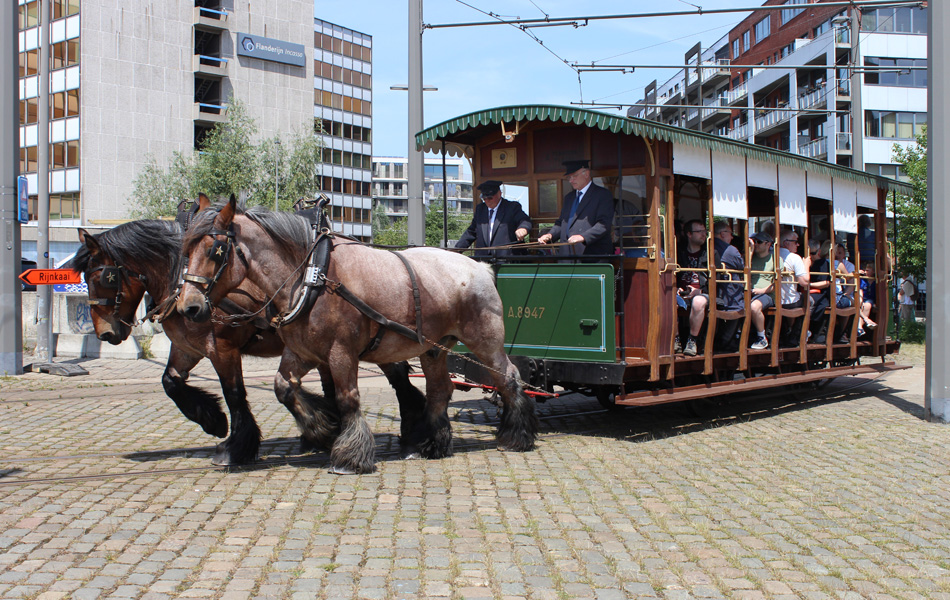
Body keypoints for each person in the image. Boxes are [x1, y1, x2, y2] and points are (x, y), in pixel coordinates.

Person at [538, 159, 614, 257]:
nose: (571, 180)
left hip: (590, 256)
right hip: (566, 257)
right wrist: (550, 235)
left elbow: (603, 224)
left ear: (586, 174)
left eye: (574, 176)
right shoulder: (569, 198)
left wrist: (583, 237)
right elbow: (562, 223)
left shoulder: (602, 195)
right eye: (569, 177)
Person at [455, 180, 531, 258]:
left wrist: (523, 228)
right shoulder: (480, 209)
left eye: (490, 198)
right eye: (484, 198)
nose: (487, 201)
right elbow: (471, 232)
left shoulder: (512, 207)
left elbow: (524, 220)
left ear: (499, 194)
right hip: (483, 261)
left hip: (506, 260)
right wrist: (456, 251)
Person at [674, 219, 709, 357]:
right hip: (682, 294)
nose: (703, 235)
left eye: (704, 231)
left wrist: (699, 291)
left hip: (703, 293)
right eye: (699, 232)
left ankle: (692, 341)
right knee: (669, 300)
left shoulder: (710, 253)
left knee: (698, 302)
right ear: (689, 234)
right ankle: (675, 340)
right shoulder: (679, 252)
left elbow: (719, 281)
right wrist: (676, 288)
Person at [712, 221, 745, 351]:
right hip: (729, 294)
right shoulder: (730, 250)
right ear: (722, 234)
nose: (732, 237)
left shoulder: (707, 245)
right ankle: (726, 341)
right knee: (741, 306)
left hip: (715, 291)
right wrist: (751, 252)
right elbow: (743, 267)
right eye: (730, 233)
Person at [778, 229, 810, 347]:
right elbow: (804, 282)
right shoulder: (794, 257)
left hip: (773, 299)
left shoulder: (771, 254)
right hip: (788, 300)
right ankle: (797, 335)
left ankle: (788, 331)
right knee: (809, 301)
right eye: (795, 242)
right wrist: (806, 265)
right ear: (786, 243)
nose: (798, 245)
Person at [748, 231, 775, 350]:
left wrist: (762, 291)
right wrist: (750, 252)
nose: (756, 245)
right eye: (754, 242)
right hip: (748, 291)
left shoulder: (775, 259)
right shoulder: (750, 258)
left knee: (754, 307)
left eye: (758, 242)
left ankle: (761, 337)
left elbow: (778, 283)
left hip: (767, 294)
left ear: (768, 244)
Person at [806, 239, 833, 344]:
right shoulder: (805, 262)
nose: (811, 256)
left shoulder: (823, 264)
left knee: (809, 301)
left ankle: (810, 330)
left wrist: (809, 285)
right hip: (806, 291)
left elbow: (826, 283)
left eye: (812, 253)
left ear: (819, 252)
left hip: (820, 294)